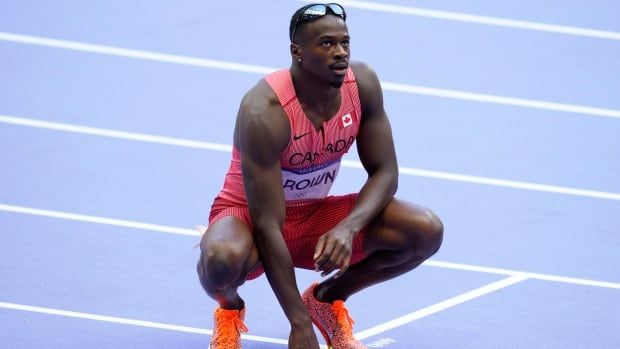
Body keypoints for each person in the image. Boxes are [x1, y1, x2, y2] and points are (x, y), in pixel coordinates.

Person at [197, 3, 443, 348]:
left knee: (424, 230)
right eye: (327, 44)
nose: (340, 52)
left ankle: (326, 299)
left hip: (313, 214)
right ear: (297, 52)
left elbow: (386, 172)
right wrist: (299, 325)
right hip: (251, 218)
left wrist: (348, 227)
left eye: (345, 42)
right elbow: (269, 225)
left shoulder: (363, 86)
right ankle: (229, 311)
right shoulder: (263, 112)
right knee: (221, 260)